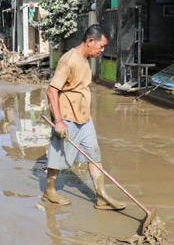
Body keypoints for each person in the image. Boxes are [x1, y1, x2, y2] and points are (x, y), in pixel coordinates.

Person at [44, 24, 125, 211]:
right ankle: (50, 191)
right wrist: (59, 121)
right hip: (66, 116)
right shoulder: (69, 60)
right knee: (59, 155)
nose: (102, 50)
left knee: (94, 154)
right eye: (101, 46)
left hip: (84, 117)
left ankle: (101, 196)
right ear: (90, 42)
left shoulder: (85, 58)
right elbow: (52, 90)